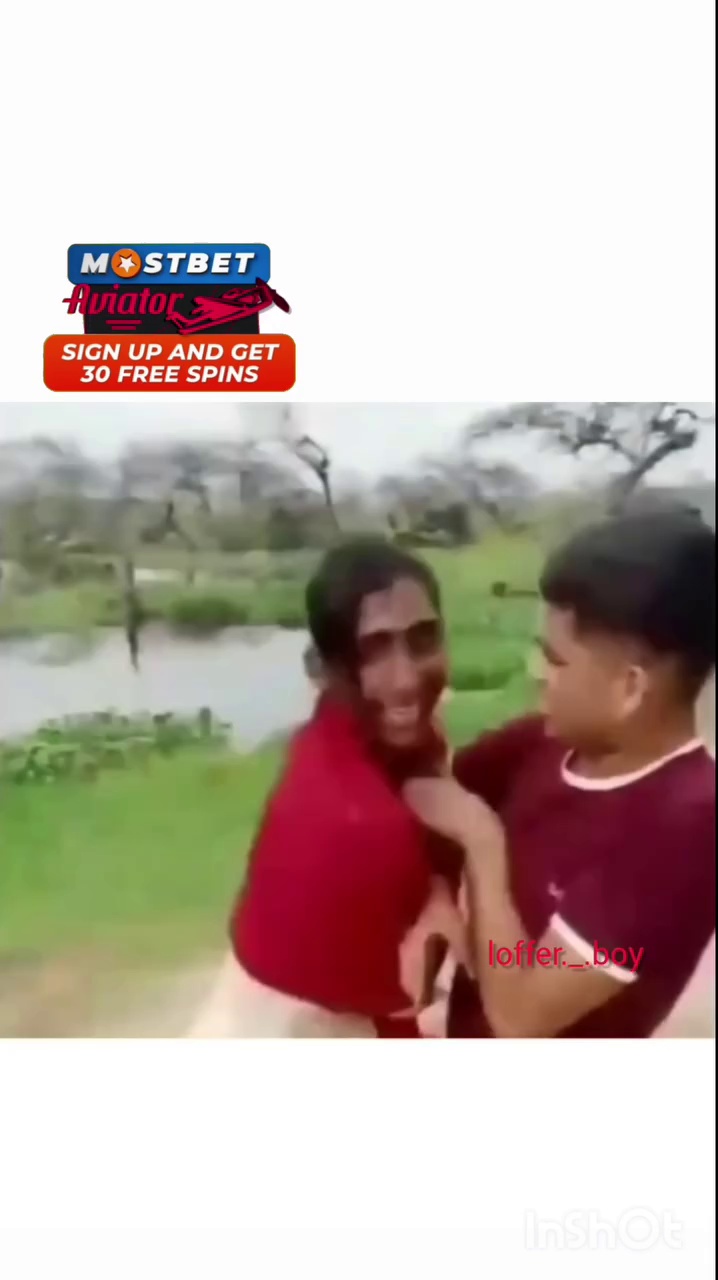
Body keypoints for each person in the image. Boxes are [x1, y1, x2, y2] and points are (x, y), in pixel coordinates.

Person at [405, 510, 716, 1038]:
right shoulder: (542, 743)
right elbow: (433, 796)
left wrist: (483, 843)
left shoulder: (683, 830)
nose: (536, 675)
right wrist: (437, 891)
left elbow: (520, 1016)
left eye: (554, 660)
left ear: (629, 688)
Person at [192, 538, 467, 1038]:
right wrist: (482, 845)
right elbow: (433, 999)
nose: (406, 679)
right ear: (321, 669)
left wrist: (439, 889)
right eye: (372, 650)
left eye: (423, 639)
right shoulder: (357, 823)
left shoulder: (358, 734)